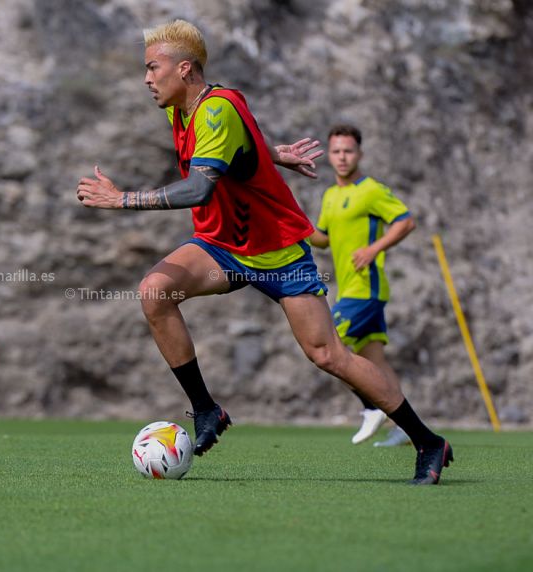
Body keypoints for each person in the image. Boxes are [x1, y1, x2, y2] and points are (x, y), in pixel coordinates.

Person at [76, 20, 452, 484]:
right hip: (225, 246)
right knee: (155, 291)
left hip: (277, 254)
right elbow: (241, 139)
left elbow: (198, 189)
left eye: (153, 67)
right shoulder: (182, 107)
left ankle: (428, 441)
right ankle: (206, 410)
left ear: (185, 68)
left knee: (329, 355)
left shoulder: (216, 108)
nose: (147, 78)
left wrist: (122, 199)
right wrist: (273, 153)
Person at [309, 125, 413, 448]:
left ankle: (371, 407)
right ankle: (408, 429)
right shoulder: (330, 195)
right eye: (337, 151)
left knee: (329, 342)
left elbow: (405, 221)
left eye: (348, 151)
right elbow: (322, 240)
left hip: (366, 289)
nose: (342, 157)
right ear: (329, 154)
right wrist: (294, 225)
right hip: (350, 289)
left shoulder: (370, 190)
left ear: (360, 154)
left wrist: (373, 249)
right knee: (375, 363)